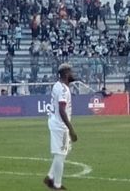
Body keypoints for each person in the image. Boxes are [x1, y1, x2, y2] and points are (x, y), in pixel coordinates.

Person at [44, 63, 78, 191]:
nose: (72, 74)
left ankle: (50, 176)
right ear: (65, 74)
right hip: (60, 125)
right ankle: (56, 185)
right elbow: (62, 110)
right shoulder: (63, 90)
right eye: (70, 72)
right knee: (60, 154)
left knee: (66, 149)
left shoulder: (57, 85)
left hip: (54, 121)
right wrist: (71, 129)